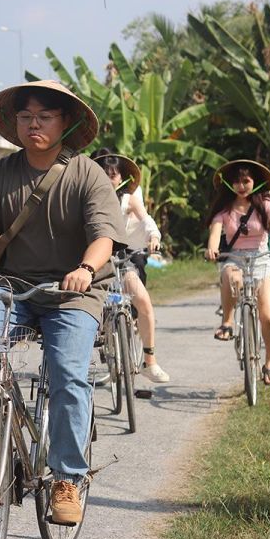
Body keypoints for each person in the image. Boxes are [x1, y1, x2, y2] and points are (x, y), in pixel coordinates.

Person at [0, 80, 127, 525]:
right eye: (25, 116)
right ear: (14, 123)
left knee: (69, 376)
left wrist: (87, 270)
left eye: (44, 116)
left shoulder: (87, 173)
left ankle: (67, 478)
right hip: (12, 286)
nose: (34, 123)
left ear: (64, 123)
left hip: (74, 293)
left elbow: (104, 236)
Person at [204, 159, 270, 385]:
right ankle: (228, 322)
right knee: (230, 276)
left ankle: (269, 363)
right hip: (235, 258)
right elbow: (215, 234)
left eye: (246, 180)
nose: (241, 186)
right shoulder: (224, 210)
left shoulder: (266, 205)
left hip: (262, 259)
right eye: (236, 181)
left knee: (268, 317)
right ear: (228, 184)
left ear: (255, 182)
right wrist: (212, 248)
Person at [90, 148, 170, 383]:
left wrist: (154, 237)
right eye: (102, 173)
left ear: (121, 177)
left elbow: (147, 220)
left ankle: (150, 361)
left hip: (120, 260)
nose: (108, 179)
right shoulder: (86, 197)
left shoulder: (128, 199)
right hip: (92, 261)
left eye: (113, 175)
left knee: (142, 300)